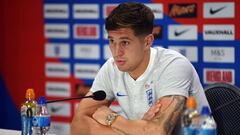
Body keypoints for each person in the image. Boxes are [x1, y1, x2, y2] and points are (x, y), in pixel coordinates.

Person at [71, 2, 209, 135]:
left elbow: (157, 132)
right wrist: (137, 130)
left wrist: (112, 119)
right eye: (112, 41)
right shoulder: (111, 67)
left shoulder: (173, 65)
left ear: (147, 42)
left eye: (125, 42)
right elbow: (78, 126)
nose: (116, 51)